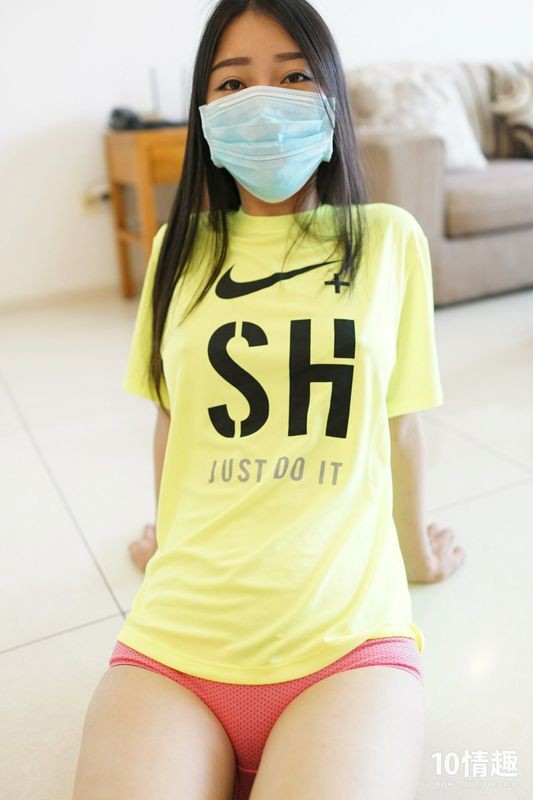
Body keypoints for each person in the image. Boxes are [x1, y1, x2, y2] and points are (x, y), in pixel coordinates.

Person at [72, 2, 465, 799]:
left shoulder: (387, 239)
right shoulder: (175, 251)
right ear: (205, 112)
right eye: (232, 83)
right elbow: (173, 420)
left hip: (347, 645)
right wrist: (169, 539)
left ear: (332, 101)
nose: (263, 102)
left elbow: (399, 425)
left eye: (293, 77)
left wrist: (417, 554)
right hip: (175, 641)